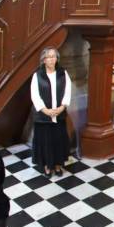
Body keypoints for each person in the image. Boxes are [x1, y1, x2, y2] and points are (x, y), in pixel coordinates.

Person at [30, 46, 71, 177]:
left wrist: (62, 107)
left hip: (59, 114)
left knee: (58, 140)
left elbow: (68, 91)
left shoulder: (63, 73)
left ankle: (58, 165)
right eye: (49, 57)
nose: (51, 59)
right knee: (46, 142)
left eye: (54, 56)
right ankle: (47, 166)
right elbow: (35, 95)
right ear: (43, 60)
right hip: (43, 117)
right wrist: (45, 110)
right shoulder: (37, 75)